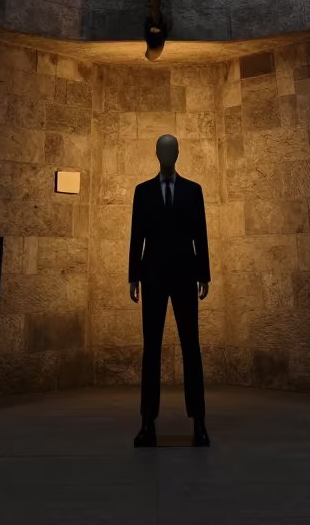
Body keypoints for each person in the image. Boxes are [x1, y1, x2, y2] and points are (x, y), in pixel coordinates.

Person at [128, 133, 210, 447]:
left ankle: (199, 422)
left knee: (192, 346)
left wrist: (204, 273)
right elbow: (137, 235)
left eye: (170, 149)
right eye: (161, 149)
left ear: (177, 153)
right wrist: (134, 275)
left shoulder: (193, 191)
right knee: (152, 348)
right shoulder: (143, 191)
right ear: (156, 153)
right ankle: (147, 422)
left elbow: (200, 233)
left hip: (186, 275)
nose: (166, 154)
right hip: (153, 276)